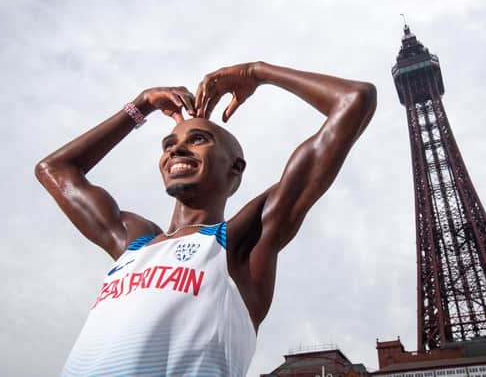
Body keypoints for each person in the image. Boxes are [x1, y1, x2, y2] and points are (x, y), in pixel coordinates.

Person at [35, 61, 376, 376]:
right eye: (169, 144)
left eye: (198, 139)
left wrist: (257, 73)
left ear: (235, 167)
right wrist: (140, 106)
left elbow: (354, 99)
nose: (176, 149)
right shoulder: (133, 241)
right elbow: (54, 169)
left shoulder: (241, 243)